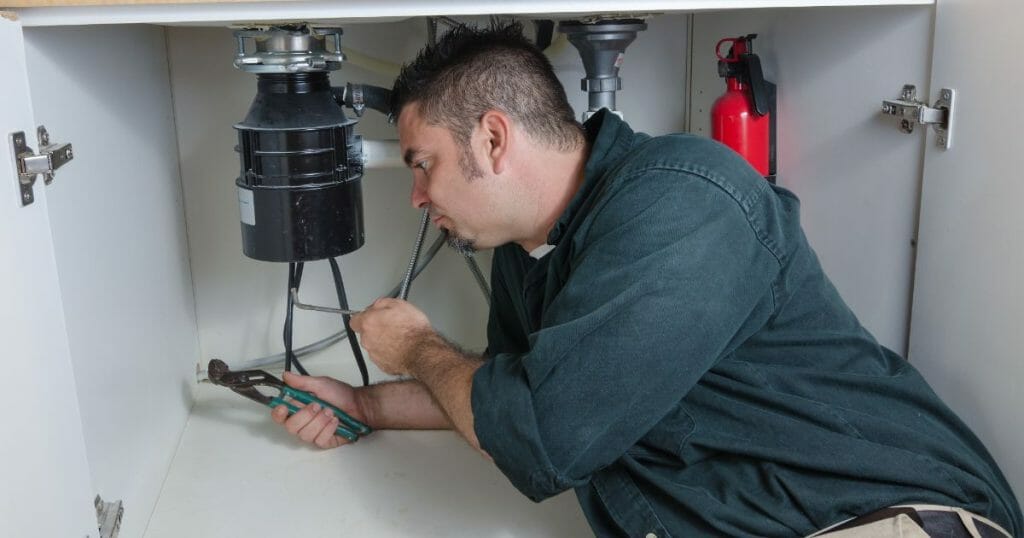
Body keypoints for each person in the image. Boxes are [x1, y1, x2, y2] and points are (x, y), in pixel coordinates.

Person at [270, 22, 1022, 537]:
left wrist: (415, 348)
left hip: (873, 517)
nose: (417, 196)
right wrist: (366, 400)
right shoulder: (523, 257)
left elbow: (539, 435)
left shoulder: (684, 198)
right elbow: (505, 398)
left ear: (493, 139)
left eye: (422, 163)